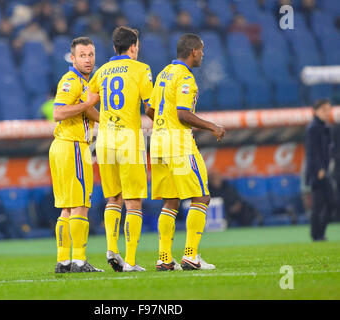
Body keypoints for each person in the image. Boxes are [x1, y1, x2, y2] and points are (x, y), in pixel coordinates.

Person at [146, 33, 226, 271]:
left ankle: (164, 258)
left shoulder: (163, 73)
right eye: (201, 50)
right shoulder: (185, 78)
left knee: (170, 201)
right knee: (201, 196)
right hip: (178, 144)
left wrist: (163, 121)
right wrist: (212, 126)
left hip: (158, 143)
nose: (202, 54)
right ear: (193, 52)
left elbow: (150, 109)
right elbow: (182, 113)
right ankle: (191, 256)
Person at [88, 26, 154, 272]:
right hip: (128, 139)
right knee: (133, 200)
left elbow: (87, 104)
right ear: (134, 46)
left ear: (114, 47)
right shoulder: (141, 69)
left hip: (103, 140)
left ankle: (111, 248)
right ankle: (131, 262)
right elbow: (149, 107)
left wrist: (104, 120)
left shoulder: (102, 71)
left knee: (113, 197)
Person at [49, 37, 102, 273]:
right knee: (80, 205)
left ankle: (63, 262)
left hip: (62, 147)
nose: (88, 59)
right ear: (73, 58)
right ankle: (80, 261)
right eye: (83, 55)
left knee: (67, 208)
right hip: (72, 146)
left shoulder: (81, 82)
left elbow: (87, 108)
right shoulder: (71, 81)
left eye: (90, 54)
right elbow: (58, 112)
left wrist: (107, 120)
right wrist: (88, 103)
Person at [305, 99, 335, 241]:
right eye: (324, 110)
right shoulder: (313, 128)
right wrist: (319, 169)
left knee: (330, 202)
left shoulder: (325, 127)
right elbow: (312, 152)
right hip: (318, 172)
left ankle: (319, 233)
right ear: (316, 111)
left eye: (329, 109)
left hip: (325, 170)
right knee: (319, 204)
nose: (327, 112)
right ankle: (316, 234)